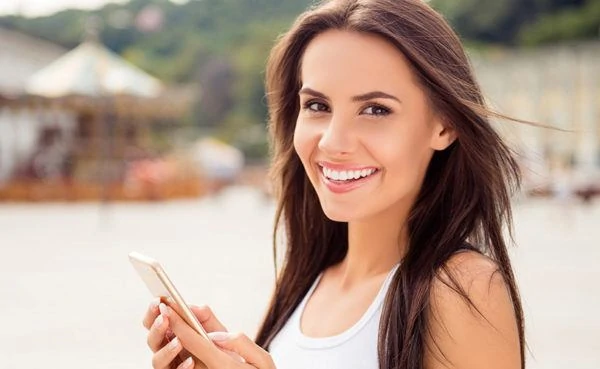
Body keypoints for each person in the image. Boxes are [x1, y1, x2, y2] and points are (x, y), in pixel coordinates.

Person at [141, 0, 525, 368]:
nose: (332, 142)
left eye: (375, 110)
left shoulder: (463, 288)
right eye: (317, 106)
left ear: (445, 125)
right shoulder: (306, 282)